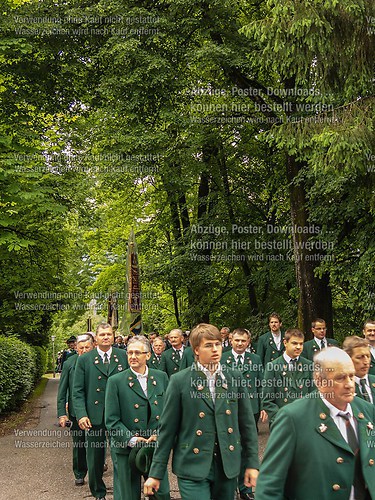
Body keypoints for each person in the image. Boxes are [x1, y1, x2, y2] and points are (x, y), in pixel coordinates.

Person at [144, 323, 259, 500]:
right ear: (196, 350)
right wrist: (155, 473)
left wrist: (252, 464)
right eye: (208, 345)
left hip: (226, 465)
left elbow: (247, 425)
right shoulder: (180, 381)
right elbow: (167, 430)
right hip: (192, 464)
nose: (215, 349)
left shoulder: (234, 377)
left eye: (218, 344)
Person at [255, 347, 375, 500]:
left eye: (351, 376)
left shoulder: (366, 410)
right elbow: (269, 485)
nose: (349, 384)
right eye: (340, 378)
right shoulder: (293, 417)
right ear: (319, 380)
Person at [105, 336, 170, 500]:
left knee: (161, 494)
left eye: (137, 353)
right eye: (129, 353)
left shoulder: (161, 377)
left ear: (148, 355)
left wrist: (160, 435)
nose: (132, 356)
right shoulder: (115, 381)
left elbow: (169, 413)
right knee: (127, 495)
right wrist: (132, 439)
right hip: (126, 448)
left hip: (154, 447)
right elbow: (111, 420)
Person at [73, 322, 128, 500]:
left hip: (119, 416)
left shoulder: (123, 356)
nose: (106, 337)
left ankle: (122, 492)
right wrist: (81, 414)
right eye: (102, 334)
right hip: (94, 417)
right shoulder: (84, 359)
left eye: (109, 334)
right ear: (96, 338)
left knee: (121, 455)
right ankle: (98, 493)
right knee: (95, 458)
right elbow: (78, 391)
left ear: (113, 337)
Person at [221, 328, 266, 500]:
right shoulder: (223, 358)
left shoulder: (254, 359)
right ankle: (229, 486)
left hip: (250, 408)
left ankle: (245, 489)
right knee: (230, 445)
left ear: (248, 342)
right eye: (237, 340)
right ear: (231, 340)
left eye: (243, 341)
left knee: (247, 445)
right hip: (227, 407)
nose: (240, 344)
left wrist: (262, 405)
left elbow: (261, 383)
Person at [57, 334, 94, 486]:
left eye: (87, 348)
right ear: (76, 348)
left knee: (96, 442)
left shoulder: (98, 362)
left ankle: (96, 470)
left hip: (95, 410)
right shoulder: (69, 363)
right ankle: (79, 472)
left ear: (93, 347)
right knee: (79, 443)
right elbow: (62, 390)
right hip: (75, 411)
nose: (84, 350)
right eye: (81, 348)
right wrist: (61, 414)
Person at [262, 328, 313, 426]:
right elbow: (267, 401)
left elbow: (314, 396)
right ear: (285, 343)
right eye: (294, 343)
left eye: (301, 344)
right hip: (281, 422)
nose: (298, 347)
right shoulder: (272, 366)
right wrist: (281, 418)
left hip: (304, 421)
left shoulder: (309, 365)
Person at [343, 335, 375, 404]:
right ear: (348, 358)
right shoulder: (343, 386)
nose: (366, 362)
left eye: (368, 356)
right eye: (360, 357)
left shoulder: (373, 380)